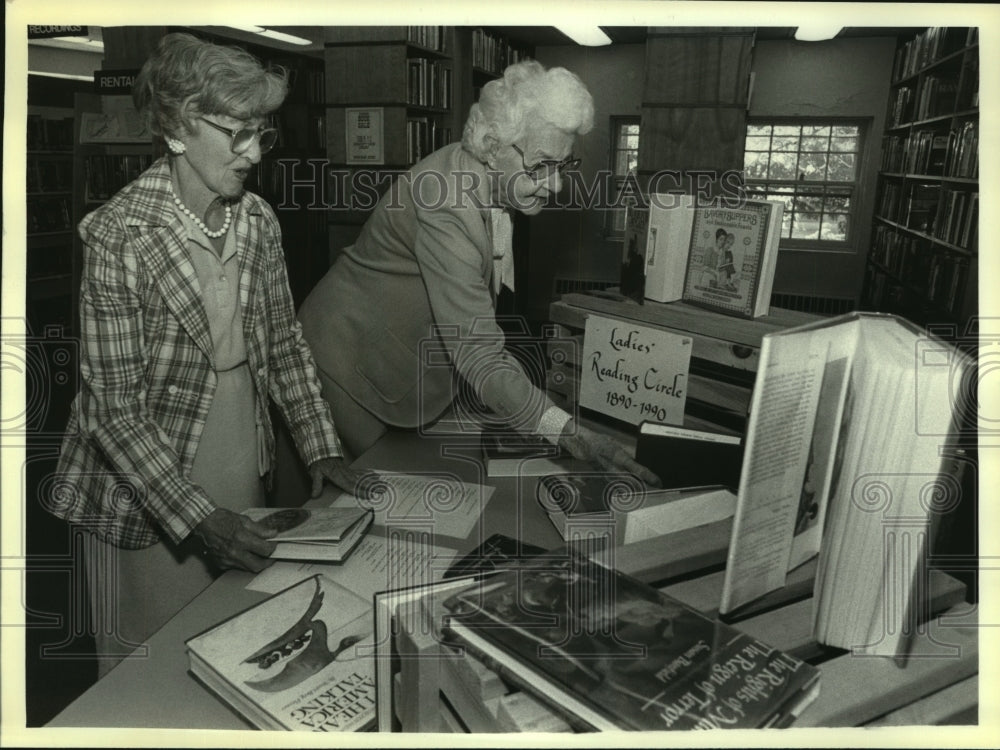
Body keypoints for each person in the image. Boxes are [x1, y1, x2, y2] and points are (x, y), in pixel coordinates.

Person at [50, 33, 367, 676]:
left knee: (234, 644)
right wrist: (199, 520)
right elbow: (114, 412)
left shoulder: (257, 220)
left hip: (235, 457)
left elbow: (282, 345)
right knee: (150, 668)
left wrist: (320, 445)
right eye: (235, 133)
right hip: (144, 484)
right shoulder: (119, 235)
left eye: (261, 133)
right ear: (175, 128)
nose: (252, 153)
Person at [296, 60, 659, 485]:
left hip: (401, 356)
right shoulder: (445, 204)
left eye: (564, 165)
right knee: (397, 496)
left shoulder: (488, 175)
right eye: (542, 164)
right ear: (490, 146)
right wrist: (570, 434)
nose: (556, 185)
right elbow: (480, 355)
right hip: (344, 357)